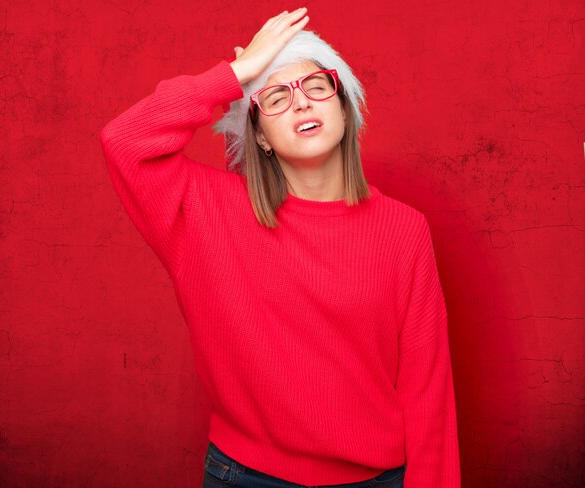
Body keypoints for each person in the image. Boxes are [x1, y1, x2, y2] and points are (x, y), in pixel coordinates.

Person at [100, 7, 461, 488]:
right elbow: (125, 140)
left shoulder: (403, 229)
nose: (300, 104)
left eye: (317, 88)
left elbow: (426, 390)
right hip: (247, 477)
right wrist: (235, 74)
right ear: (261, 139)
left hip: (376, 480)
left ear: (345, 109)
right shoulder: (208, 213)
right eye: (275, 97)